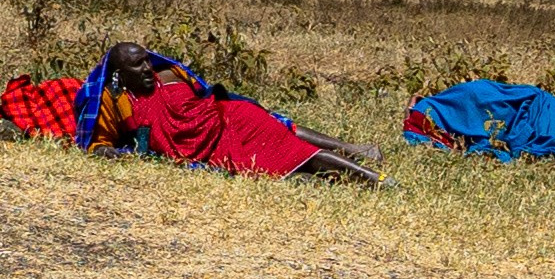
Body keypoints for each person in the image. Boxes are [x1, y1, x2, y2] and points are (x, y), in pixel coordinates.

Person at [101, 43, 381, 185]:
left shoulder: (168, 74)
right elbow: (100, 140)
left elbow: (204, 95)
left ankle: (377, 181)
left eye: (147, 60)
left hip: (232, 121)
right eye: (138, 65)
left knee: (299, 152)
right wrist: (105, 151)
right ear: (119, 73)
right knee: (295, 167)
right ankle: (355, 161)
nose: (148, 68)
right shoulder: (116, 102)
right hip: (212, 149)